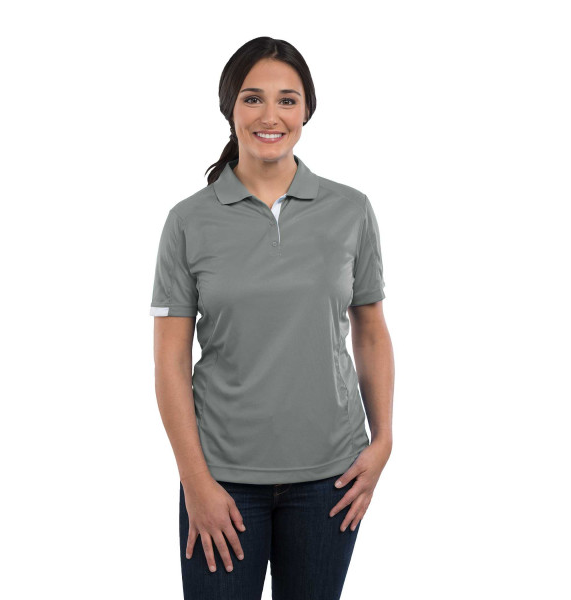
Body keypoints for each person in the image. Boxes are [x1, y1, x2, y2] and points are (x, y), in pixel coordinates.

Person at [150, 36, 395, 600]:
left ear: (306, 111)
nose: (270, 115)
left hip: (332, 478)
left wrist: (383, 441)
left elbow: (371, 333)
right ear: (230, 107)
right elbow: (169, 361)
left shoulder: (351, 210)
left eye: (287, 100)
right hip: (222, 479)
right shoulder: (188, 221)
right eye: (253, 98)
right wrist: (195, 481)